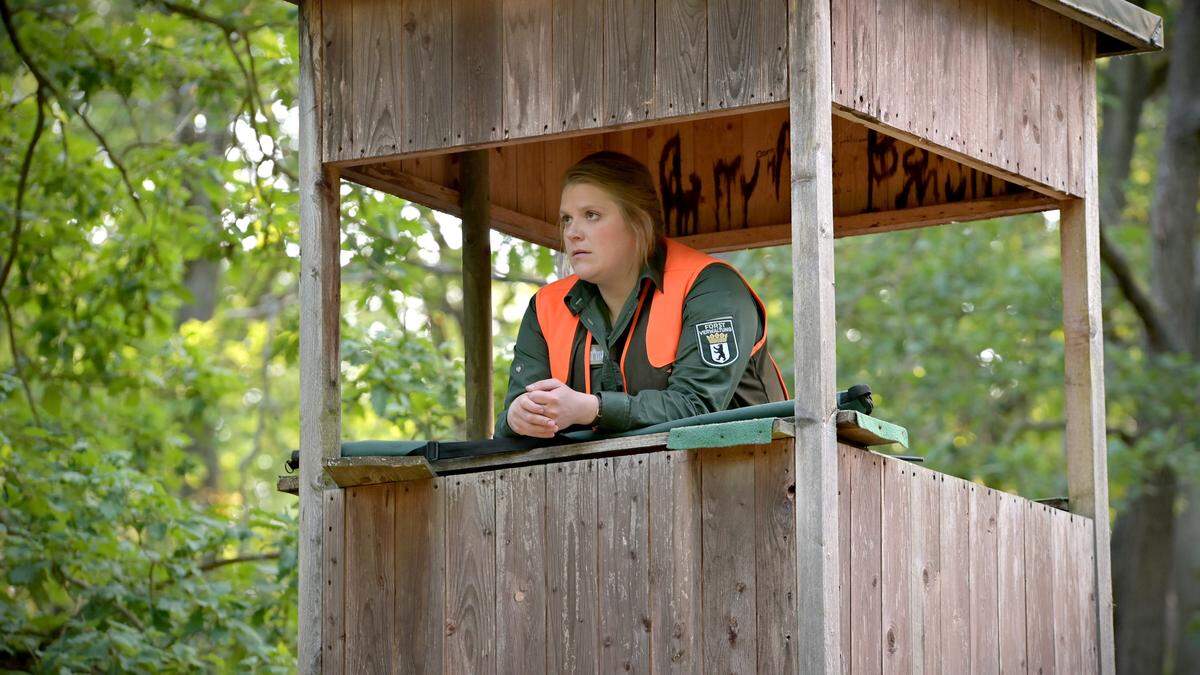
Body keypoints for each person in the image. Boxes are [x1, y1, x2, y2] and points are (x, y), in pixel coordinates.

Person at [495, 150, 788, 439]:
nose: (572, 232)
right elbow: (512, 423)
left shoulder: (712, 287)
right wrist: (517, 418)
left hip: (746, 476)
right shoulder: (546, 307)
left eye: (592, 215)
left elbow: (699, 407)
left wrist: (592, 409)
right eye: (567, 219)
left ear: (638, 222)